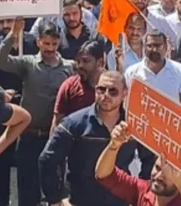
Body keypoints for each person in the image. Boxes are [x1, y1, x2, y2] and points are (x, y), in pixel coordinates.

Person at [42, 70, 155, 206]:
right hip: (81, 201)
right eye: (101, 90)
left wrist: (142, 195)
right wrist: (55, 200)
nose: (105, 95)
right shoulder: (74, 123)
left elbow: (149, 160)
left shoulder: (135, 126)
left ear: (125, 93)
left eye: (113, 91)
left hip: (119, 202)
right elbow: (48, 159)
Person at [0, 19, 75, 206]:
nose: (50, 48)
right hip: (28, 137)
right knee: (27, 189)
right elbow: (0, 61)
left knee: (54, 190)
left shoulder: (69, 68)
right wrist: (13, 34)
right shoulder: (28, 63)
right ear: (38, 41)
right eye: (46, 43)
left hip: (54, 138)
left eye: (54, 44)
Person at [96, 122, 181, 206]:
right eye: (157, 168)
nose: (158, 177)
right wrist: (114, 145)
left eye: (168, 174)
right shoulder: (142, 190)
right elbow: (104, 175)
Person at [124, 31, 181, 107]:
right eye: (150, 46)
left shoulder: (180, 71)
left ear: (166, 47)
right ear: (144, 48)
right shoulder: (131, 72)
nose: (154, 50)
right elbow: (127, 104)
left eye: (158, 46)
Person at [53, 39, 107, 128]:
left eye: (86, 61)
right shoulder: (69, 85)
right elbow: (57, 123)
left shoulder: (111, 87)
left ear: (100, 62)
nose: (80, 66)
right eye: (78, 61)